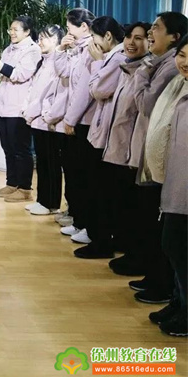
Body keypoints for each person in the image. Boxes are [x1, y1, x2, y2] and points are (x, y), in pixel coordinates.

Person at [129, 12, 188, 304]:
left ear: (174, 36)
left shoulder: (167, 70)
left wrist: (142, 70)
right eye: (183, 56)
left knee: (171, 242)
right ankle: (165, 291)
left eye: (156, 28)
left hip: (174, 178)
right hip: (162, 171)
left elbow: (145, 104)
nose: (151, 32)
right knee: (162, 237)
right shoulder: (173, 74)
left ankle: (168, 292)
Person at [99, 23, 150, 275]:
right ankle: (126, 249)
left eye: (139, 38)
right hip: (118, 148)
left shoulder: (146, 70)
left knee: (132, 208)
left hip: (133, 153)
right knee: (120, 204)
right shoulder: (128, 68)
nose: (131, 42)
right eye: (129, 36)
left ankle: (135, 256)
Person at [73, 16, 126, 259]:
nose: (91, 43)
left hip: (107, 134)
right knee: (96, 187)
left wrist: (96, 63)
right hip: (101, 130)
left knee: (101, 190)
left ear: (107, 36)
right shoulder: (110, 57)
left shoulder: (116, 57)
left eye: (94, 37)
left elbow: (97, 90)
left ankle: (101, 241)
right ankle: (99, 237)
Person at [146, 35, 188, 337]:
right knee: (172, 245)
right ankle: (179, 302)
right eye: (183, 55)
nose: (185, 62)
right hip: (176, 183)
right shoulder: (180, 87)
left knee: (179, 247)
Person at [0, 16, 42, 203]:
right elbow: (6, 73)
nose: (12, 33)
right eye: (11, 29)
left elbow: (20, 74)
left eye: (16, 29)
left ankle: (25, 188)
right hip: (5, 105)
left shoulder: (33, 51)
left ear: (27, 32)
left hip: (19, 107)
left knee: (20, 149)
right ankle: (12, 183)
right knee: (8, 147)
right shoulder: (9, 49)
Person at [50, 8, 96, 244]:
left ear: (84, 27)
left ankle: (86, 222)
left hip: (83, 121)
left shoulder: (91, 49)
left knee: (83, 175)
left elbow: (84, 90)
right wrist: (60, 50)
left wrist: (70, 119)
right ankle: (78, 219)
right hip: (73, 118)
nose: (68, 31)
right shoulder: (76, 48)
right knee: (73, 172)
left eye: (70, 28)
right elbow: (64, 73)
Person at [21, 24, 65, 215]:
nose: (40, 41)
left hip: (48, 121)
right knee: (43, 163)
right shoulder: (42, 61)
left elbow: (49, 94)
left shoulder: (58, 62)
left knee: (51, 164)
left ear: (56, 40)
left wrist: (42, 114)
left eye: (45, 37)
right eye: (40, 38)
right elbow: (34, 90)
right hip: (37, 120)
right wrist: (27, 111)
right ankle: (42, 200)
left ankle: (51, 203)